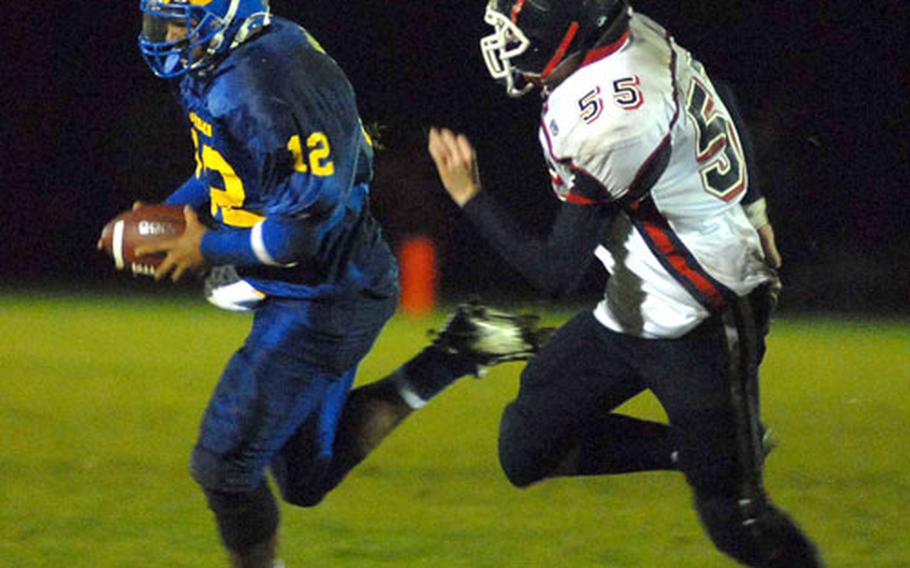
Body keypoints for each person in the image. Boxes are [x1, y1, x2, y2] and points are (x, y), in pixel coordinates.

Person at [124, 1, 552, 566]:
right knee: (304, 478)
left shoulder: (266, 83)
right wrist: (169, 214)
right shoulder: (235, 61)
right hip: (318, 284)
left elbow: (295, 238)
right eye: (164, 19)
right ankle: (458, 352)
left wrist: (201, 245)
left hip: (325, 296)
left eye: (179, 21)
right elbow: (224, 165)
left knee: (223, 465)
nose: (168, 35)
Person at [428, 1, 824, 566]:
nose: (510, 46)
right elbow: (725, 94)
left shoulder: (612, 119)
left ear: (567, 35)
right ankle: (697, 450)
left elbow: (555, 273)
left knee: (735, 514)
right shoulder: (631, 34)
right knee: (526, 448)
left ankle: (723, 464)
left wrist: (469, 196)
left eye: (521, 35)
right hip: (637, 297)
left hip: (704, 311)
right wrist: (755, 207)